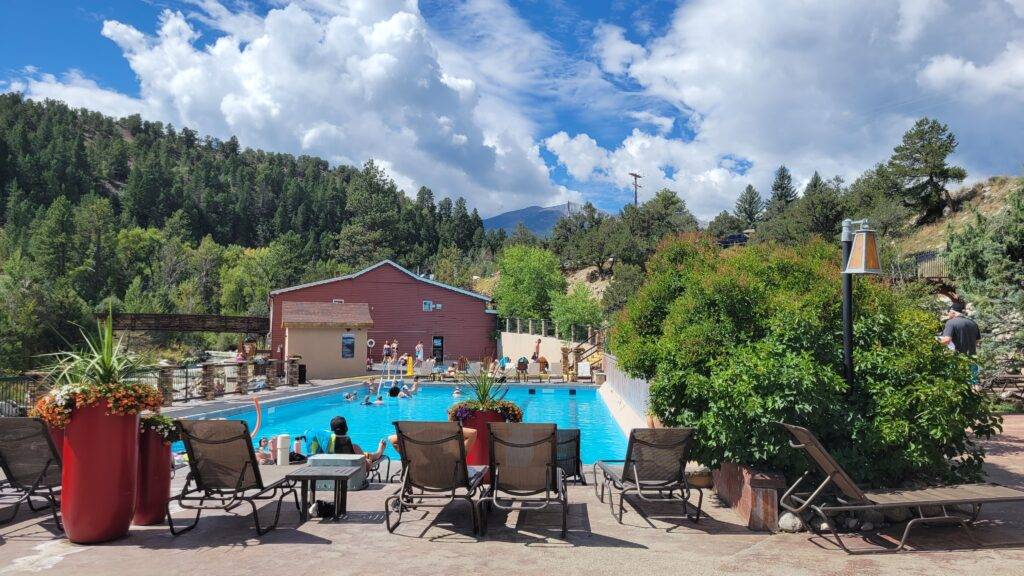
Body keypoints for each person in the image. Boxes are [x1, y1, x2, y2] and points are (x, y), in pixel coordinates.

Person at [940, 301, 982, 382]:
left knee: (955, 383)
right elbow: (977, 341)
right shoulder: (973, 323)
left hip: (956, 358)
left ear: (953, 312)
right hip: (972, 358)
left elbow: (947, 340)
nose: (948, 315)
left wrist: (934, 342)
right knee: (973, 383)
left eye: (949, 313)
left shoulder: (951, 322)